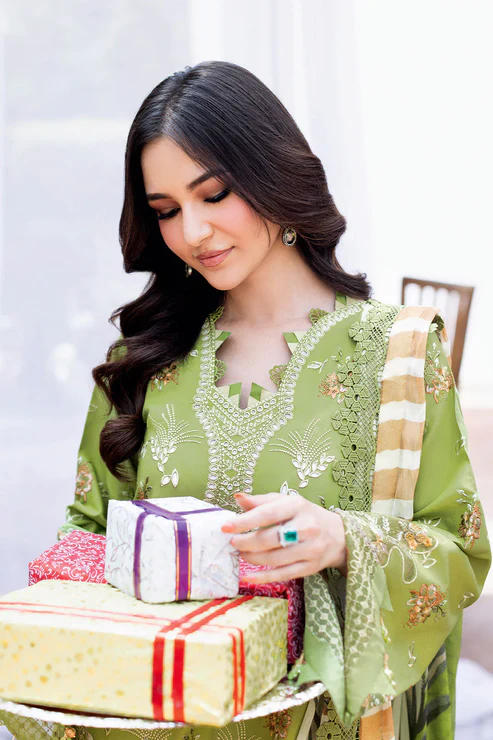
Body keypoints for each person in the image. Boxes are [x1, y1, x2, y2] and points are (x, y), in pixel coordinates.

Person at [18, 60, 493, 740]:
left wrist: (343, 540)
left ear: (272, 173)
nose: (193, 232)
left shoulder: (397, 354)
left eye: (213, 194)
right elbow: (86, 537)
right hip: (158, 722)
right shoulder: (143, 361)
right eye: (166, 211)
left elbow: (458, 554)